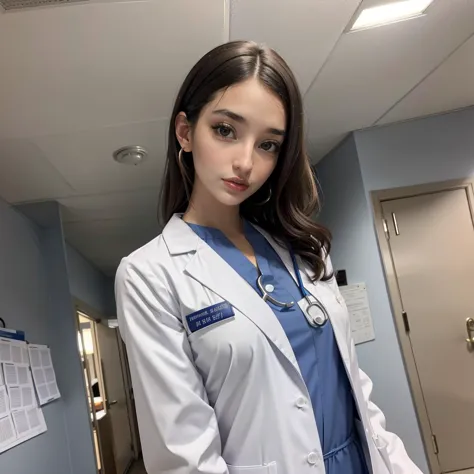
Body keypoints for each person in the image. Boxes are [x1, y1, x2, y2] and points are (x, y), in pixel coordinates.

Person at [115, 41, 422, 474]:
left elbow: (357, 391)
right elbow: (186, 458)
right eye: (225, 130)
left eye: (269, 145)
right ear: (185, 132)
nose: (245, 162)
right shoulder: (150, 275)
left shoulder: (304, 250)